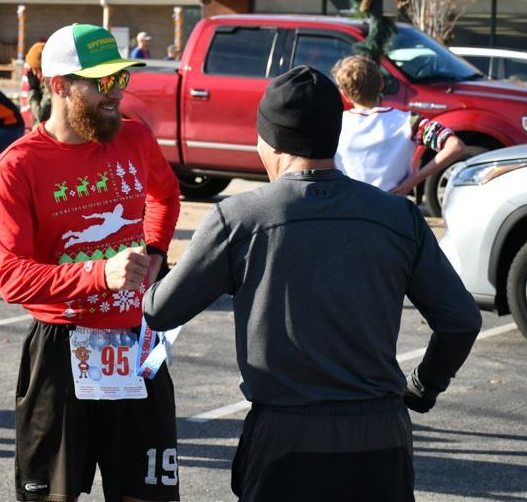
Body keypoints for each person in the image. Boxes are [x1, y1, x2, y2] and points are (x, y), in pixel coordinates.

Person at [143, 66, 482, 502]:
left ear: (270, 141)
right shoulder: (398, 216)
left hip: (285, 437)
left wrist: (144, 264)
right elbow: (460, 320)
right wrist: (421, 387)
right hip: (381, 434)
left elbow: (160, 311)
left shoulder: (239, 218)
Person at [0, 23, 182, 502]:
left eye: (121, 78)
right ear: (58, 85)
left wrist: (156, 250)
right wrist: (100, 273)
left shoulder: (135, 138)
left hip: (135, 343)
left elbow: (165, 195)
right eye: (102, 82)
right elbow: (11, 276)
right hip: (59, 349)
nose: (116, 93)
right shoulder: (18, 165)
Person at [332, 55, 465, 196]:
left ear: (344, 94)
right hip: (393, 204)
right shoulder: (410, 122)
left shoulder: (334, 124)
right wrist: (413, 180)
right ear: (381, 84)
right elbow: (455, 146)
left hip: (349, 203)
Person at [22, 40, 51, 125]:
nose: (33, 74)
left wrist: (33, 90)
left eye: (34, 70)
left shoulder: (50, 86)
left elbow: (41, 115)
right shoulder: (42, 85)